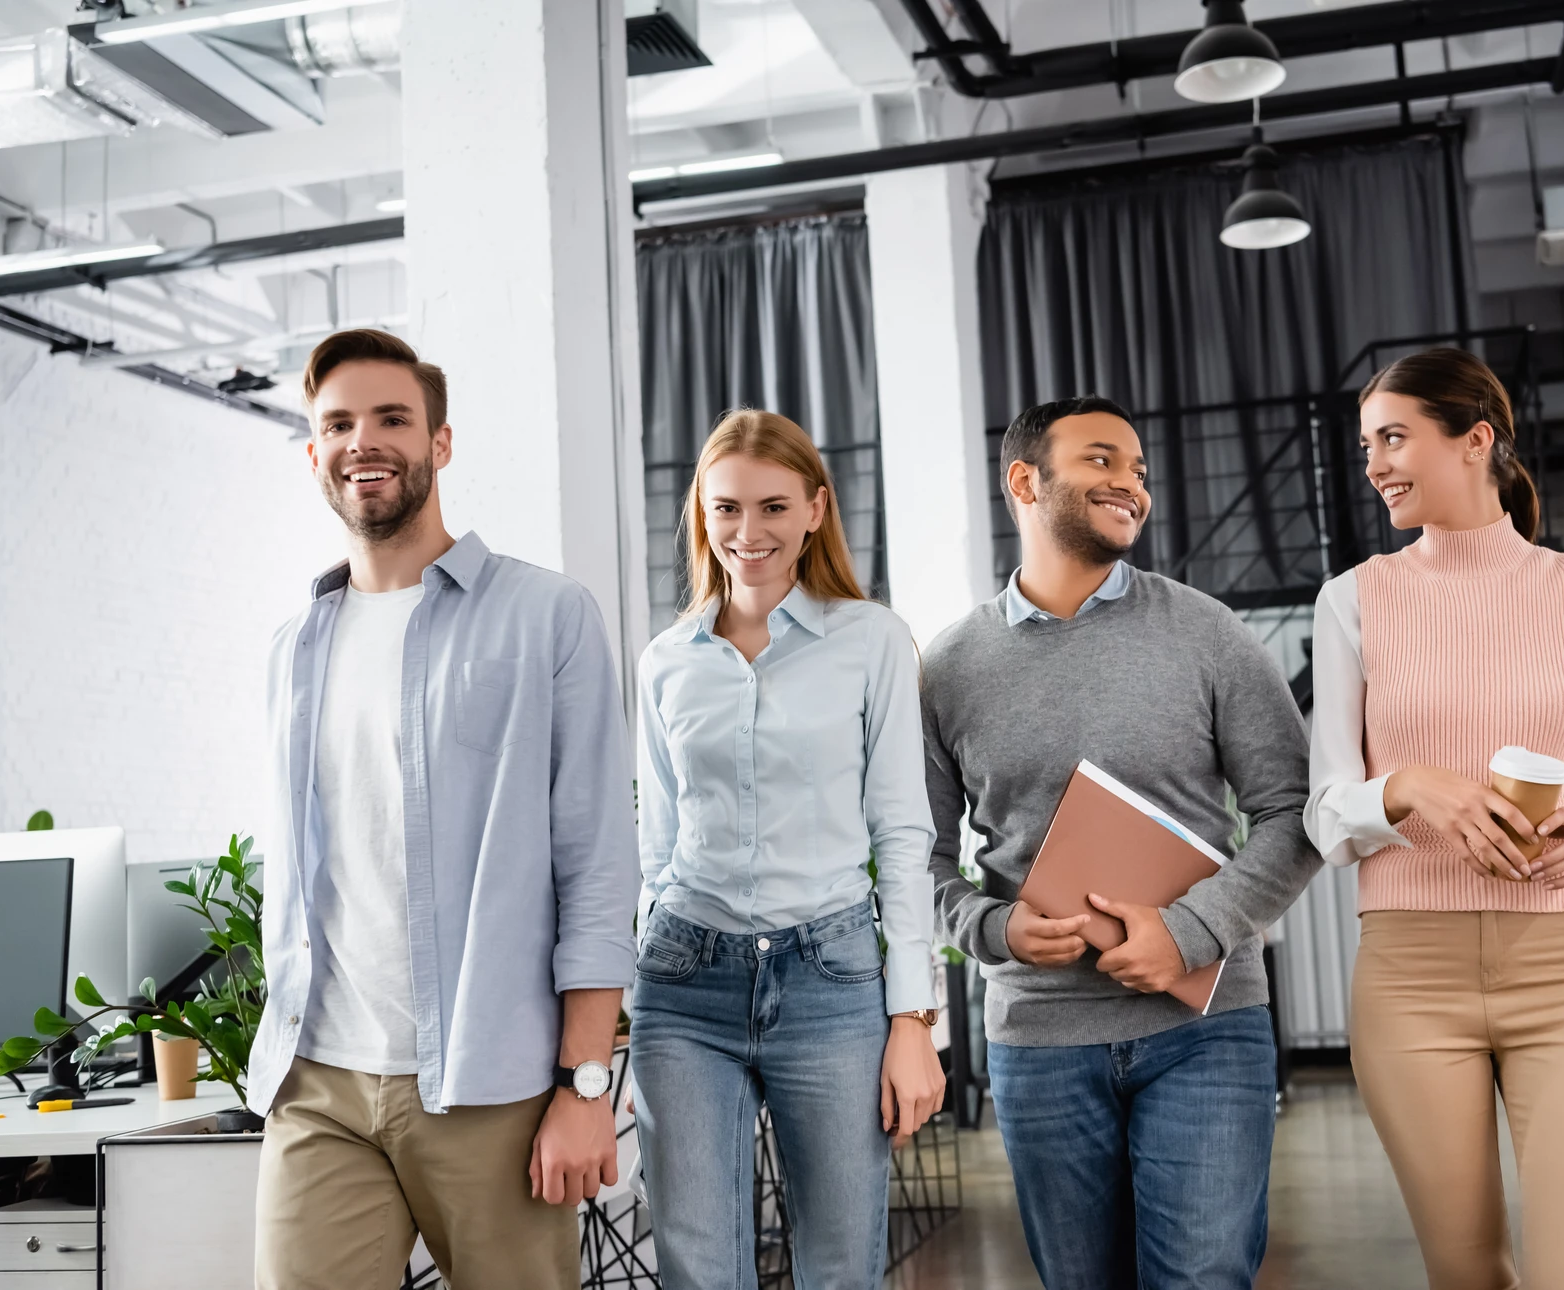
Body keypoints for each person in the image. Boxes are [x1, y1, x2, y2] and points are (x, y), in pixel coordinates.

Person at [253, 329, 639, 1290]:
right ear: (314, 453)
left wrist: (584, 1087)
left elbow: (595, 862)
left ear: (440, 442)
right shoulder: (293, 645)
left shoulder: (545, 615)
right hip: (320, 1084)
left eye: (392, 418)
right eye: (337, 424)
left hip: (490, 1085)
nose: (363, 442)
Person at [921, 395, 1322, 1289]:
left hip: (1204, 1028)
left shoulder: (1208, 633)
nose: (1131, 486)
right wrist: (992, 930)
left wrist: (1187, 931)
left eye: (1138, 471)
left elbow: (1297, 814)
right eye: (1102, 461)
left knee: (1200, 1278)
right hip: (1038, 1036)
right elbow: (916, 859)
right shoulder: (946, 668)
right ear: (1025, 481)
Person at [1305, 347, 1564, 1290]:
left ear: (1475, 440)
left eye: (1393, 438)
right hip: (1409, 975)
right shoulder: (1350, 602)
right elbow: (1326, 813)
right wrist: (1410, 787)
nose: (1374, 463)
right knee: (1467, 1278)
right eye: (1366, 444)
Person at [630, 409, 946, 1290]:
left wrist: (912, 1019)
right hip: (685, 982)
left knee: (842, 1265)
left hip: (832, 977)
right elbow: (655, 845)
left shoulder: (872, 640)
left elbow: (902, 833)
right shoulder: (664, 662)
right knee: (698, 1269)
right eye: (726, 508)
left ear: (815, 509)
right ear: (700, 512)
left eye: (771, 507)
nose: (747, 531)